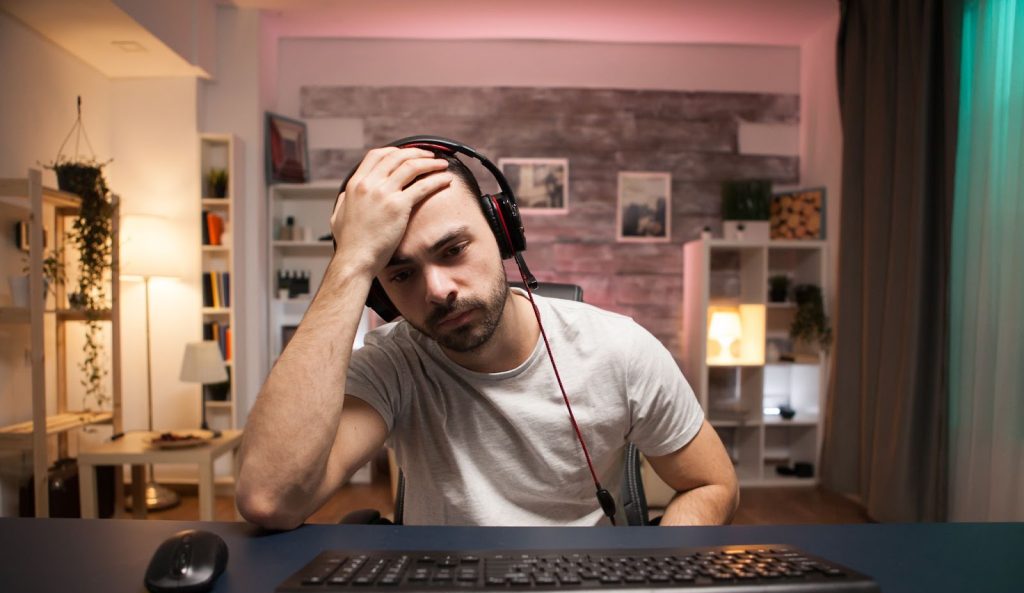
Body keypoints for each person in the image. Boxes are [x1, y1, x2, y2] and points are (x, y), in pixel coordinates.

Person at [236, 141, 739, 530]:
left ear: (501, 235)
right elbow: (269, 498)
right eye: (401, 274)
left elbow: (711, 483)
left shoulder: (620, 350)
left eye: (453, 249)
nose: (437, 290)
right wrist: (351, 261)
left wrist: (657, 575)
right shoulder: (391, 364)